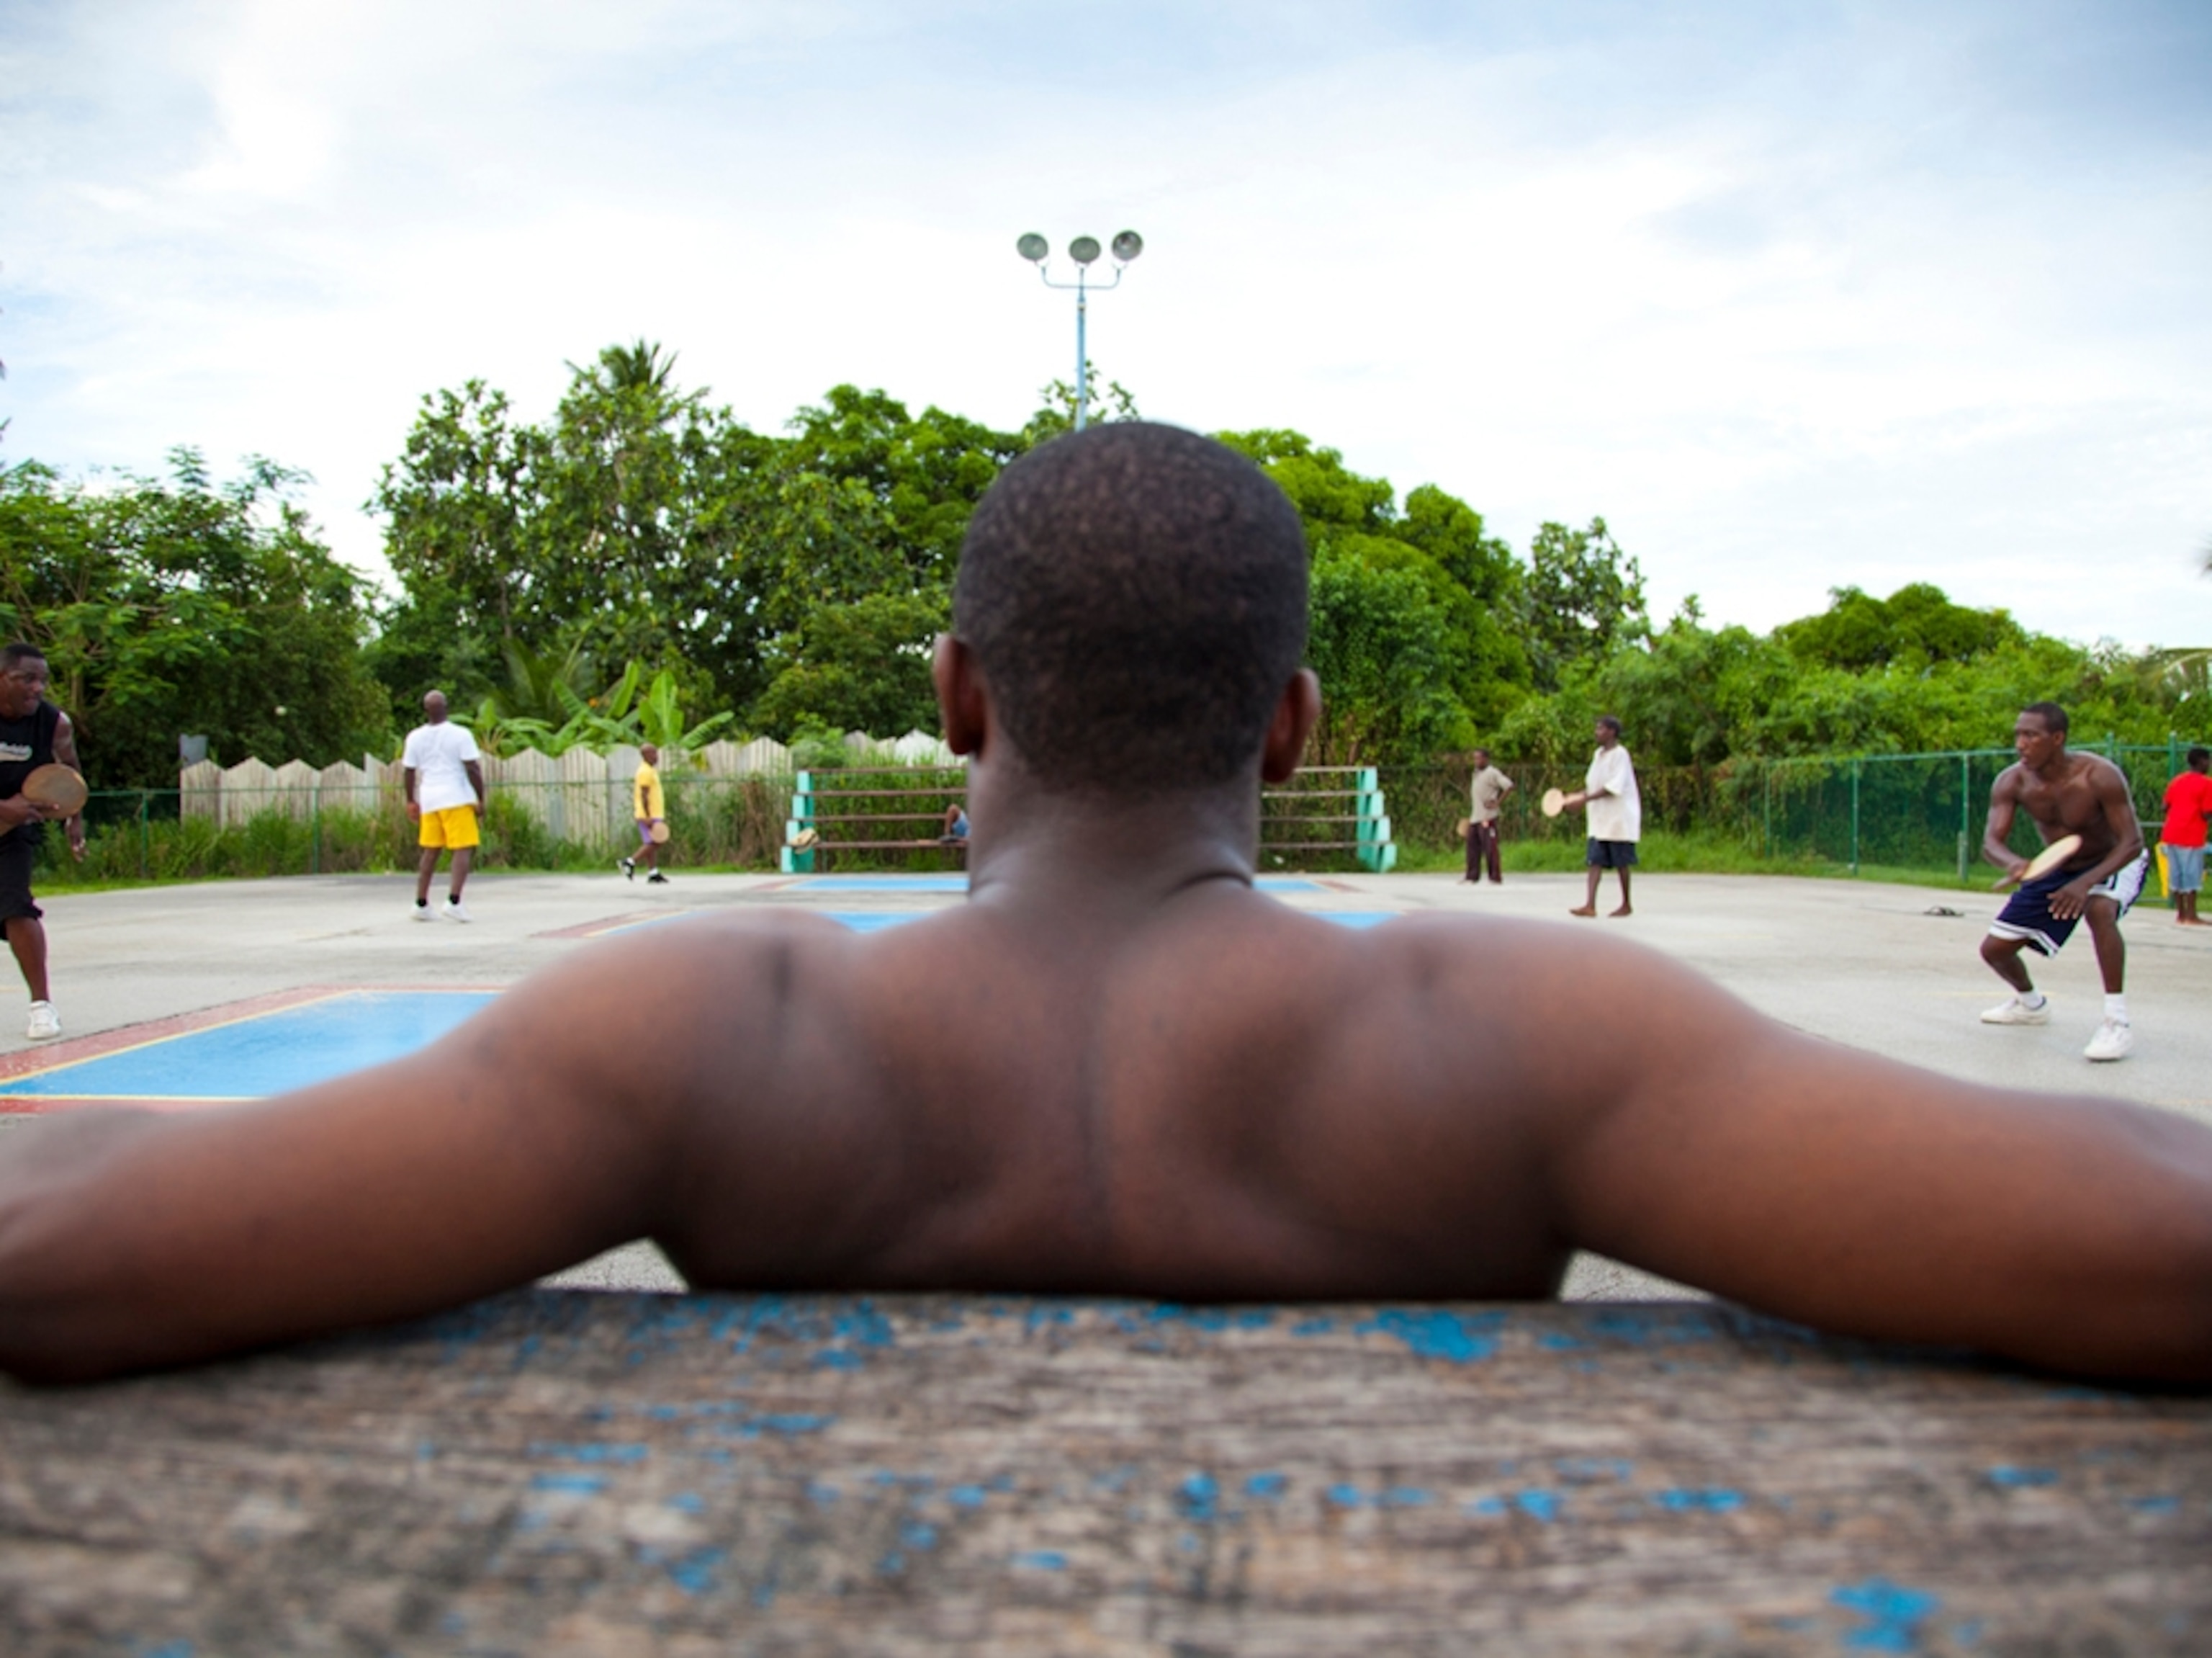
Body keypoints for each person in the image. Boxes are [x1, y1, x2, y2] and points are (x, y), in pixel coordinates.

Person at [4, 425, 2212, 1387]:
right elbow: (2145, 1228)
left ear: (961, 696)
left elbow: (70, 1252)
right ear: (1290, 730)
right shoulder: (1503, 1026)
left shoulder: (724, 1022)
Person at [1979, 703, 2149, 1062]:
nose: (2021, 744)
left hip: (2114, 859)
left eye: (2031, 735)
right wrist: (2014, 864)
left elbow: (2132, 842)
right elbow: (1991, 843)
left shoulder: (2099, 775)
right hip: (2061, 864)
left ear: (2057, 739)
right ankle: (2031, 1005)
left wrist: (2085, 884)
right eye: (2018, 735)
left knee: (2099, 909)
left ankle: (2116, 1023)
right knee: (1995, 950)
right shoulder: (2013, 781)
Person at [0, 644, 86, 1040]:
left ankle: (41, 1007)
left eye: (43, 680)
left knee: (17, 905)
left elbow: (70, 773)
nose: (38, 688)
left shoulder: (54, 724)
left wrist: (75, 818)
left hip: (15, 832)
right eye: (27, 679)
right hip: (8, 813)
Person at [401, 690, 485, 923]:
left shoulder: (415, 737)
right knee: (463, 848)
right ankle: (454, 901)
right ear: (447, 707)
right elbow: (472, 769)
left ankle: (421, 903)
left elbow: (409, 771)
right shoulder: (460, 734)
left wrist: (410, 800)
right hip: (456, 797)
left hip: (430, 799)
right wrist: (481, 798)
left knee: (431, 850)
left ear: (426, 710)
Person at [1563, 716, 1640, 918]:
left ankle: (1626, 904)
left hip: (1618, 819)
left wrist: (1585, 799)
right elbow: (1593, 786)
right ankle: (1590, 905)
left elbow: (1613, 787)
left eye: (1601, 729)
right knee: (1594, 861)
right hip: (1599, 820)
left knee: (1621, 863)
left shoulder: (1621, 755)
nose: (1597, 732)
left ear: (1612, 732)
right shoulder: (1598, 755)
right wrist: (1576, 797)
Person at [2158, 745, 2211, 928]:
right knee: (2192, 874)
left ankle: (2181, 914)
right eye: (2208, 760)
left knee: (2177, 874)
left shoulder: (2177, 781)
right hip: (2191, 834)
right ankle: (2192, 914)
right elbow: (2206, 812)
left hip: (2172, 832)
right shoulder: (2206, 783)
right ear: (2202, 762)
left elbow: (2164, 806)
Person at [620, 744, 670, 884]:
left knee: (650, 842)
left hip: (654, 812)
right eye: (653, 754)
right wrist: (648, 816)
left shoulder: (650, 770)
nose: (656, 756)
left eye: (656, 753)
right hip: (649, 814)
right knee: (657, 841)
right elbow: (644, 795)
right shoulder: (645, 772)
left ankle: (653, 872)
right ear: (645, 755)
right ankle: (630, 862)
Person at [1461, 748, 1512, 884]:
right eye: (1474, 758)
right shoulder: (1476, 773)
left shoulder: (1492, 773)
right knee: (1471, 847)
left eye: (1479, 758)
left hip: (1487, 817)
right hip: (1475, 816)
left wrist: (1498, 802)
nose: (1476, 761)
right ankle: (1472, 876)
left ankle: (1495, 877)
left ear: (1486, 759)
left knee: (1490, 847)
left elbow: (1509, 786)